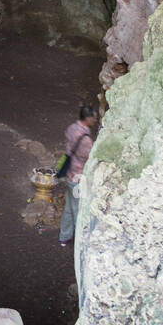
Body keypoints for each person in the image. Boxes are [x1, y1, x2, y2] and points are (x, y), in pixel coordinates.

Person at [59, 105, 99, 248]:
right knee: (79, 210)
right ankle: (81, 244)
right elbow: (90, 156)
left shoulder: (72, 128)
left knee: (69, 207)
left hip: (69, 174)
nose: (95, 120)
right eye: (93, 118)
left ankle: (64, 237)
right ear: (87, 118)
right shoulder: (86, 140)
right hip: (78, 179)